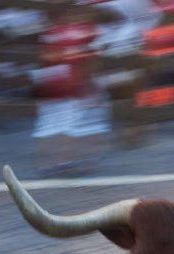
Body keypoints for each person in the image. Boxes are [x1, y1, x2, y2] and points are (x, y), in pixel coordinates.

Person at [31, 1, 110, 176]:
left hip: (65, 83)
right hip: (62, 83)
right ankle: (52, 161)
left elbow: (94, 52)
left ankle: (60, 161)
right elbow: (48, 56)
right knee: (57, 123)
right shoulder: (60, 33)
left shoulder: (66, 32)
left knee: (63, 123)